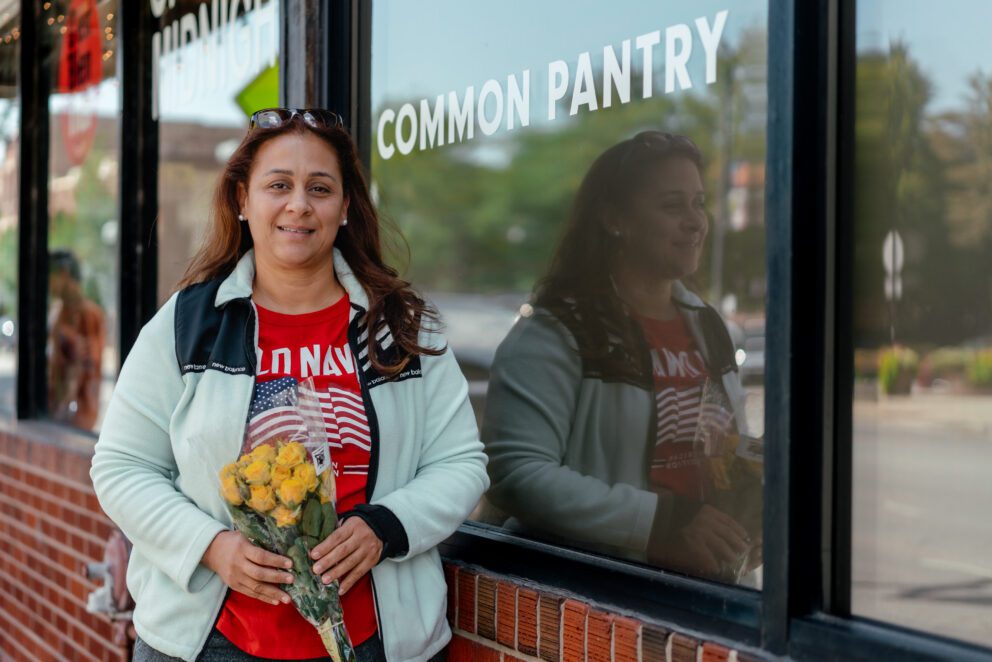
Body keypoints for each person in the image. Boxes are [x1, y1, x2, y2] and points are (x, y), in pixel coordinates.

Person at [91, 108, 488, 662]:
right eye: (279, 185)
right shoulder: (189, 325)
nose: (299, 204)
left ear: (345, 205)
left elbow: (462, 462)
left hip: (378, 643)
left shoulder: (399, 327)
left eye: (319, 188)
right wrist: (211, 547)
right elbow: (121, 466)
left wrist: (385, 528)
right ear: (242, 200)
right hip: (208, 643)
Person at [481, 131, 761, 583]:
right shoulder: (558, 332)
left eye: (699, 203)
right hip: (610, 593)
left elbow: (726, 445)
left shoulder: (707, 324)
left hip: (708, 591)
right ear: (614, 219)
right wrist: (662, 522)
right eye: (672, 206)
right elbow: (516, 474)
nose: (695, 222)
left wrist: (754, 500)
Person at [48, 249, 105, 429]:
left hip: (75, 417)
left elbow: (88, 367)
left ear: (63, 275)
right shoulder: (57, 312)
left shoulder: (89, 315)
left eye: (50, 276)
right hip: (56, 414)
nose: (48, 284)